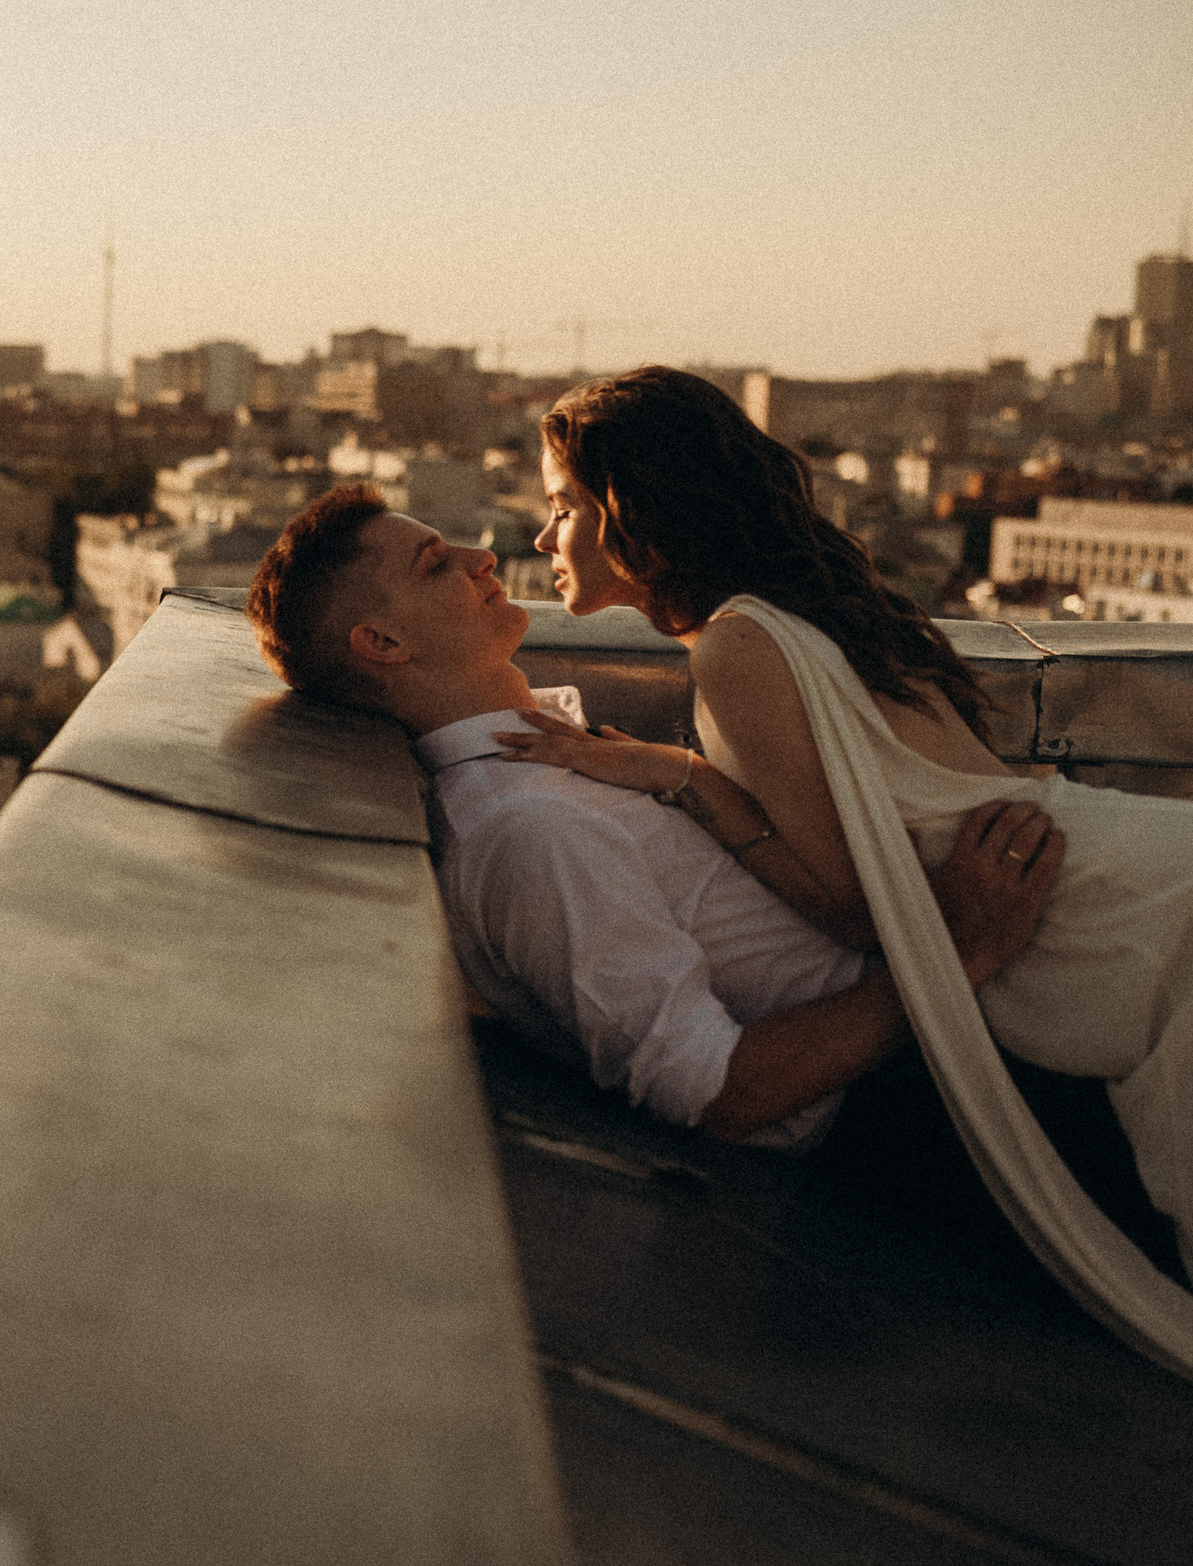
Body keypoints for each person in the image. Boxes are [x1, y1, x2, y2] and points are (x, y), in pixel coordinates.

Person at [497, 364, 1193, 1364]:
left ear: (627, 508)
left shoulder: (735, 645)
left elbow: (857, 911)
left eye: (561, 506)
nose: (540, 535)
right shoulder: (824, 611)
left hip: (1093, 908)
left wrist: (681, 775)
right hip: (1115, 857)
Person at [243, 482, 1062, 1150]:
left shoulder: (553, 762)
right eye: (435, 565)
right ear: (382, 643)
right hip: (940, 1097)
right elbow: (715, 1091)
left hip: (966, 1032)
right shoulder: (529, 830)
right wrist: (956, 954)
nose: (481, 555)